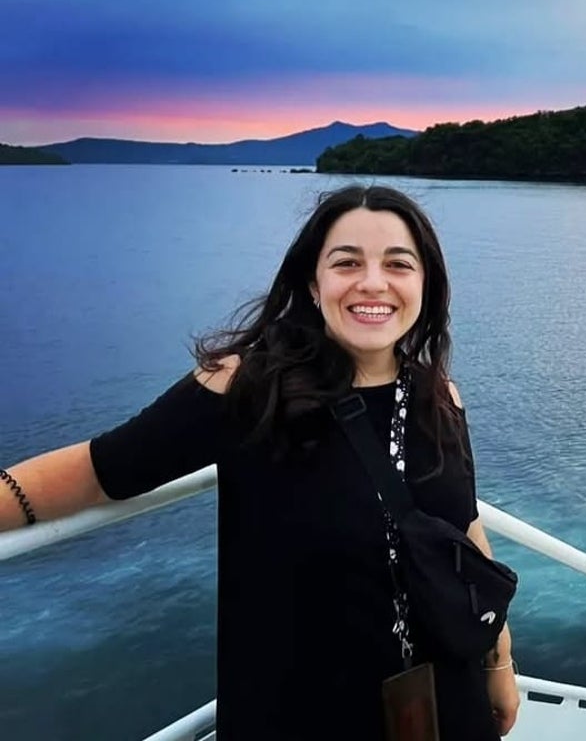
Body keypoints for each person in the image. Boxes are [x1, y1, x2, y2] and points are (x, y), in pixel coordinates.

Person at [0, 184, 520, 740]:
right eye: (347, 263)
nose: (373, 282)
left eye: (398, 264)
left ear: (425, 285)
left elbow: (464, 535)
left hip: (443, 704)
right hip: (300, 712)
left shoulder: (440, 396)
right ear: (313, 285)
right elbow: (101, 470)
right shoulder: (249, 389)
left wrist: (499, 664)